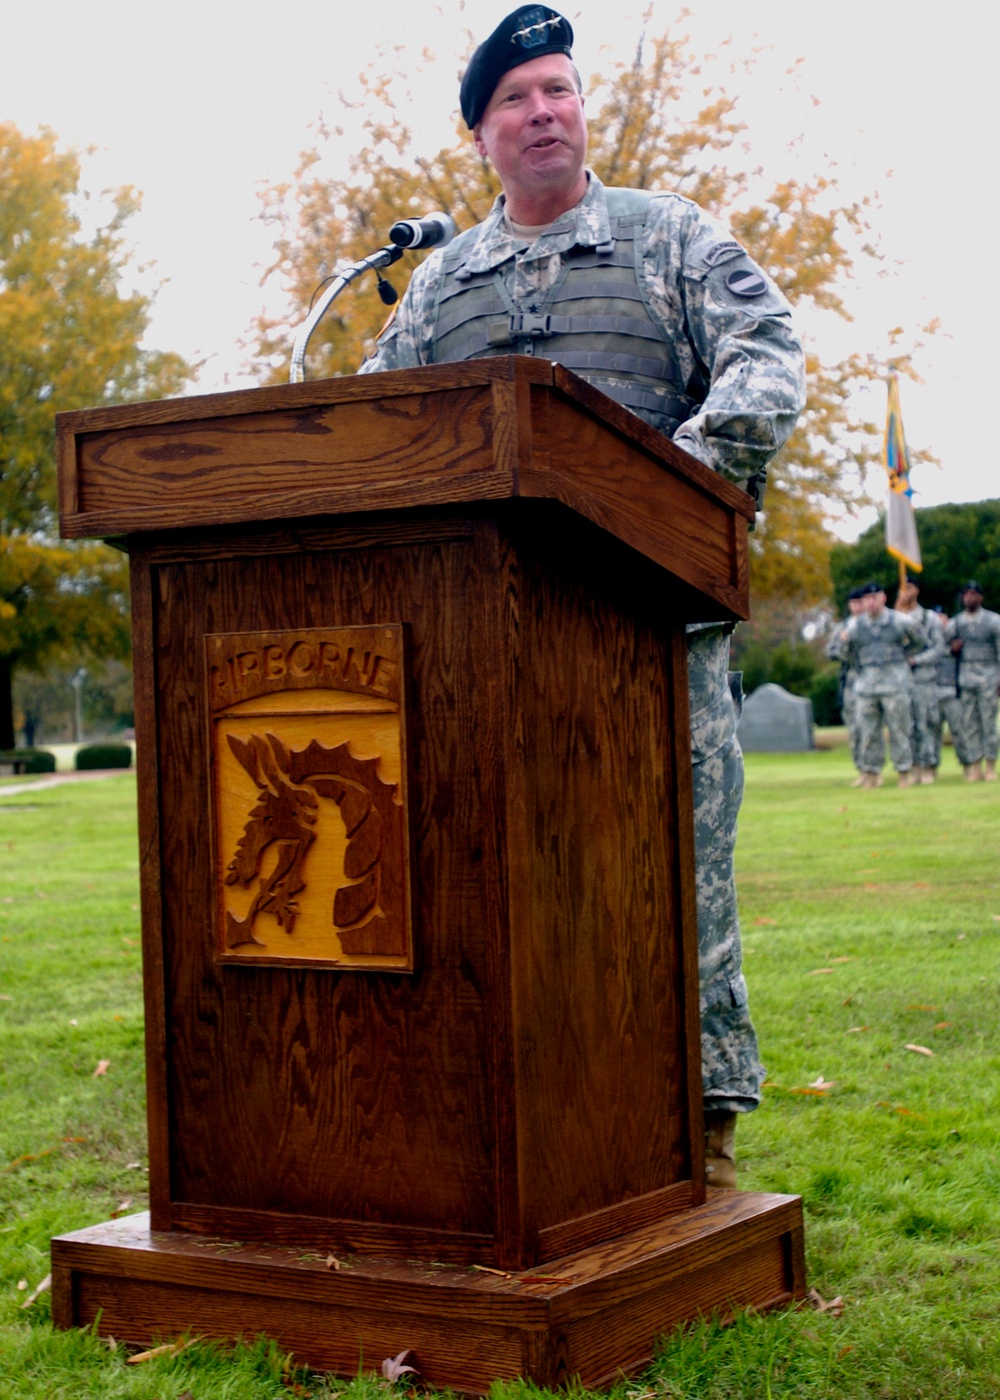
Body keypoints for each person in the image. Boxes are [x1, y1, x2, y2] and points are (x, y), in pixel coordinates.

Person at [358, 6, 806, 1189]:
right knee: (490, 888)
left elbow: (767, 355)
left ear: (581, 107)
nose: (542, 110)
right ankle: (513, 1126)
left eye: (557, 88)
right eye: (515, 98)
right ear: (479, 136)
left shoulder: (669, 240)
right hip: (481, 655)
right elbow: (376, 427)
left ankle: (697, 1139)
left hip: (653, 635)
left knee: (675, 883)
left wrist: (659, 489)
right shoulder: (441, 285)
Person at [842, 583, 926, 787]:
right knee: (868, 732)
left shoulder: (900, 621)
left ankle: (903, 772)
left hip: (895, 683)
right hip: (866, 686)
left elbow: (920, 640)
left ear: (883, 599)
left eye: (874, 598)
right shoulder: (855, 625)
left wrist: (903, 658)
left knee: (900, 729)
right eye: (867, 599)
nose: (870, 602)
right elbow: (846, 653)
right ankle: (871, 773)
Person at [944, 582, 1000, 781]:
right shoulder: (956, 623)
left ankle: (991, 765)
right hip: (966, 679)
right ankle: (976, 766)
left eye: (974, 594)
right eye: (966, 594)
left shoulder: (994, 621)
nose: (970, 598)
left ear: (981, 597)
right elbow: (943, 647)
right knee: (969, 723)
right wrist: (953, 649)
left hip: (989, 677)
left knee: (988, 722)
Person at [894, 577, 947, 783]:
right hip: (900, 680)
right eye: (903, 588)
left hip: (924, 678)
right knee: (906, 725)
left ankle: (928, 765)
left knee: (927, 722)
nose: (906, 592)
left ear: (917, 590)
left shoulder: (929, 618)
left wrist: (917, 660)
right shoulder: (895, 618)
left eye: (909, 587)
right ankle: (912, 765)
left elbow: (938, 648)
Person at [826, 586, 868, 784]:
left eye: (860, 602)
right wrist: (843, 644)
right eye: (854, 603)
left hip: (873, 678)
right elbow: (831, 651)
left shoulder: (872, 625)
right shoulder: (843, 627)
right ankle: (862, 768)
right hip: (852, 683)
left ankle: (874, 769)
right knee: (855, 728)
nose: (857, 607)